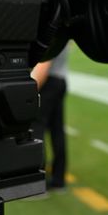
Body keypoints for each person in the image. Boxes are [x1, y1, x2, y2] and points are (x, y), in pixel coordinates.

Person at [31, 44, 70, 191]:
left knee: (36, 128)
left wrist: (29, 92)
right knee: (57, 130)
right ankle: (59, 180)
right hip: (60, 80)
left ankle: (38, 183)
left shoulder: (52, 34)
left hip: (47, 81)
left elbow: (44, 63)